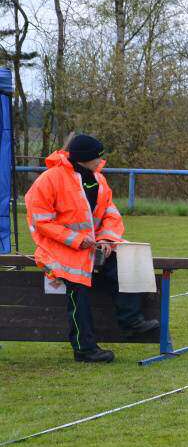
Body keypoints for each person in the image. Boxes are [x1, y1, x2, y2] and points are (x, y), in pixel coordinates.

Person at [24, 134, 158, 363]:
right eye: (98, 156)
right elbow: (41, 221)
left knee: (126, 263)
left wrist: (106, 239)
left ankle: (131, 323)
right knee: (78, 292)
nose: (101, 160)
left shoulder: (99, 179)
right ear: (84, 159)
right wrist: (75, 239)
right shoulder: (49, 180)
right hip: (60, 249)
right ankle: (84, 348)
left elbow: (110, 214)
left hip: (93, 248)